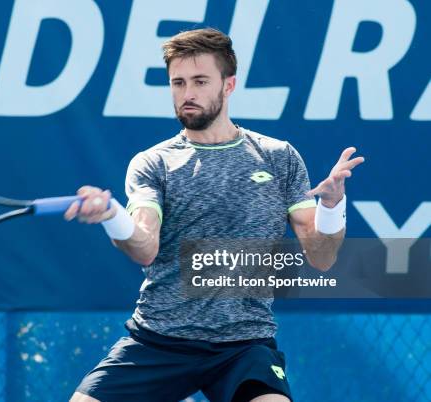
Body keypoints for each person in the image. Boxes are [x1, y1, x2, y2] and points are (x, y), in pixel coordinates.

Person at [66, 28, 364, 402]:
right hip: (159, 340)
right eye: (178, 82)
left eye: (200, 81)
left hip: (244, 346)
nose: (187, 94)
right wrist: (111, 214)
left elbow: (321, 257)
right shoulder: (153, 163)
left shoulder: (280, 157)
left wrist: (332, 206)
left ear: (228, 85)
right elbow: (144, 246)